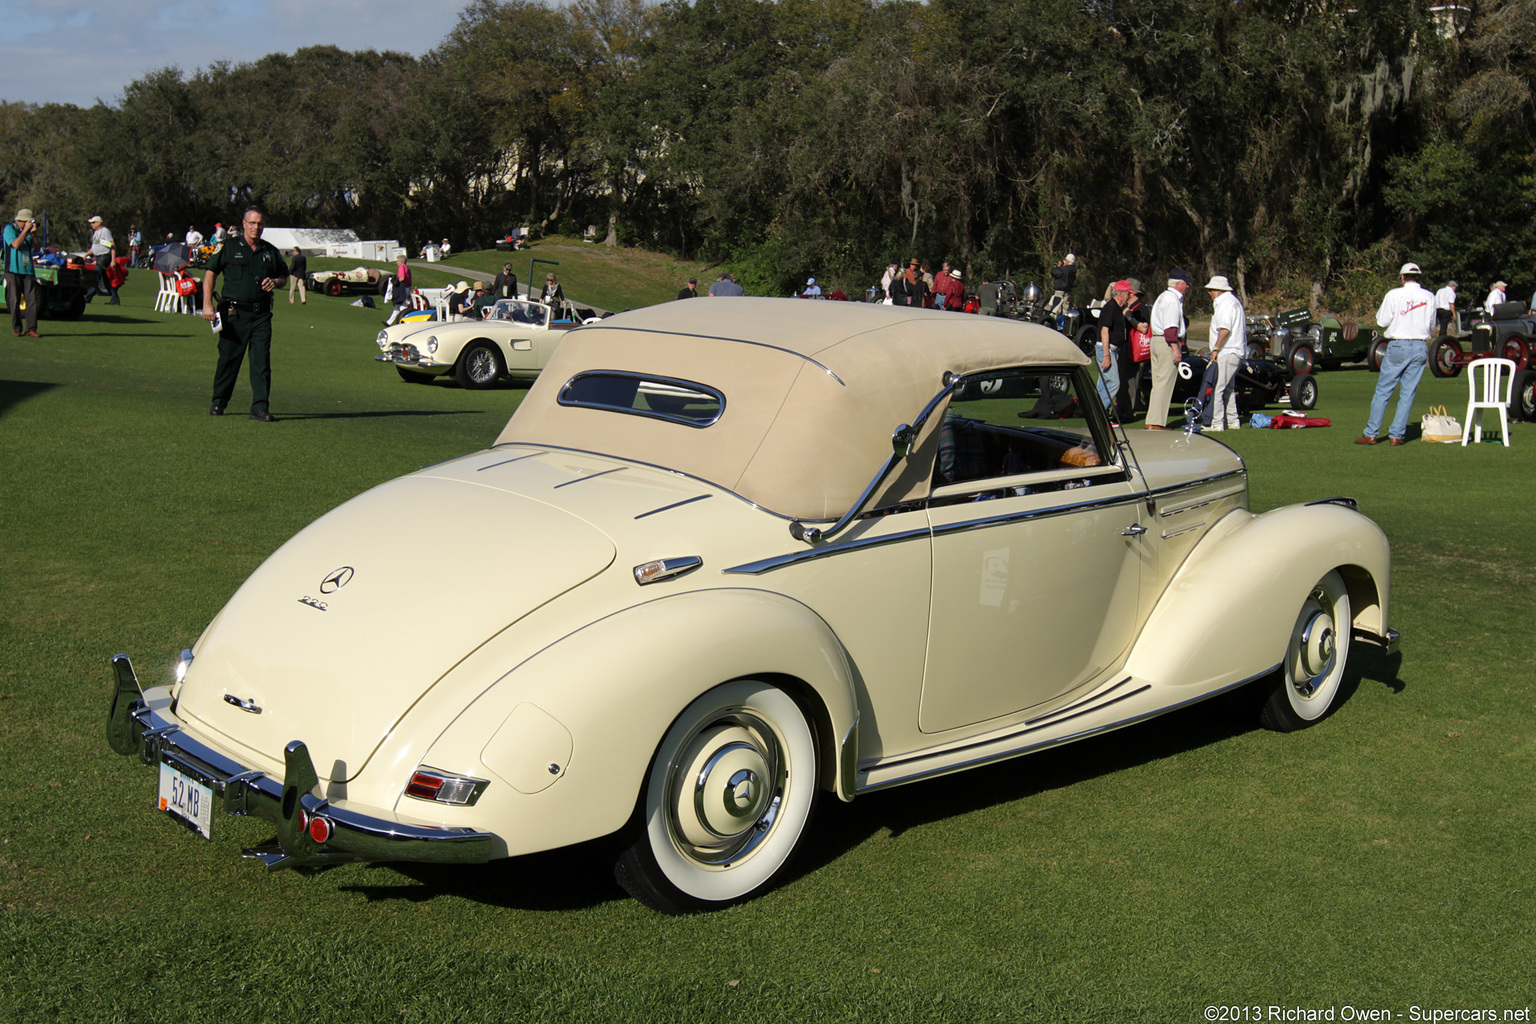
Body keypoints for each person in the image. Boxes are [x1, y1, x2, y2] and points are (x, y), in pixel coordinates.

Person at [202, 207, 288, 421]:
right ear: (243, 224)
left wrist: (276, 282)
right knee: (229, 360)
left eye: (259, 223)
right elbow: (210, 272)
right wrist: (206, 304)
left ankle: (260, 408)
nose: (255, 227)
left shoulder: (270, 251)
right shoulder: (228, 247)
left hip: (261, 315)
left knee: (261, 361)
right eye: (251, 223)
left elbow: (283, 277)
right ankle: (218, 401)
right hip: (233, 313)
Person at [1357, 262, 1435, 446]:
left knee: (1383, 391)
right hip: (1419, 346)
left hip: (1398, 345)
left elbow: (1382, 321)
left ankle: (1371, 433)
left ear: (1402, 277)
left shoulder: (1394, 294)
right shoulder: (1429, 296)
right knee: (1407, 393)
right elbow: (1432, 324)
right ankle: (1396, 435)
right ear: (1418, 277)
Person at [1145, 270, 1191, 429]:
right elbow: (1171, 330)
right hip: (1167, 342)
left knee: (1158, 383)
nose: (1188, 286)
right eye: (1185, 283)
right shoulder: (1172, 300)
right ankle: (1157, 422)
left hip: (1156, 340)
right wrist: (1176, 349)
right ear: (1178, 284)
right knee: (1164, 383)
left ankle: (1151, 420)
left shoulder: (1162, 297)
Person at [1204, 275, 1245, 431]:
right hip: (1235, 350)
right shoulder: (1233, 301)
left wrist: (1215, 348)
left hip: (1228, 351)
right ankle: (1233, 421)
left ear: (1217, 290)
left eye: (1210, 290)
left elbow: (1225, 329)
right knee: (1227, 388)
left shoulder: (1224, 304)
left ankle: (1217, 423)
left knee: (1218, 388)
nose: (1209, 293)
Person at [1094, 280, 1133, 414]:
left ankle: (1094, 410)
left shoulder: (1117, 308)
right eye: (1128, 294)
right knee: (1114, 382)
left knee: (1104, 383)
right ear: (1121, 294)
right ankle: (1099, 412)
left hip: (1112, 349)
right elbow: (1104, 331)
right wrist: (1106, 355)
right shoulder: (1111, 307)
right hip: (1106, 349)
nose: (1129, 297)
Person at [5, 208, 41, 337]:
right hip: (12, 270)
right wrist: (25, 231)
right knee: (14, 300)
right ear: (21, 221)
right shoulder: (9, 229)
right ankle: (17, 328)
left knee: (32, 301)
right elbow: (15, 244)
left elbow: (37, 248)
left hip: (28, 270)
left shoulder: (30, 232)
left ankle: (31, 328)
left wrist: (34, 235)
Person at [87, 216, 120, 305]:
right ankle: (115, 299)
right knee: (106, 279)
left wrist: (113, 260)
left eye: (93, 222)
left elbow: (112, 245)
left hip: (104, 257)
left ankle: (88, 296)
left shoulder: (105, 231)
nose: (91, 224)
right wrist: (86, 255)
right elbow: (94, 248)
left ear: (99, 223)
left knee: (96, 275)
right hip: (98, 257)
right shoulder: (96, 233)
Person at [383, 253, 413, 325]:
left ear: (401, 261)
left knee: (402, 306)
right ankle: (388, 322)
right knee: (397, 306)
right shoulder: (407, 267)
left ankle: (408, 321)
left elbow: (402, 278)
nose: (397, 262)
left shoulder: (401, 267)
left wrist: (395, 281)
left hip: (402, 289)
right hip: (407, 288)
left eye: (397, 261)